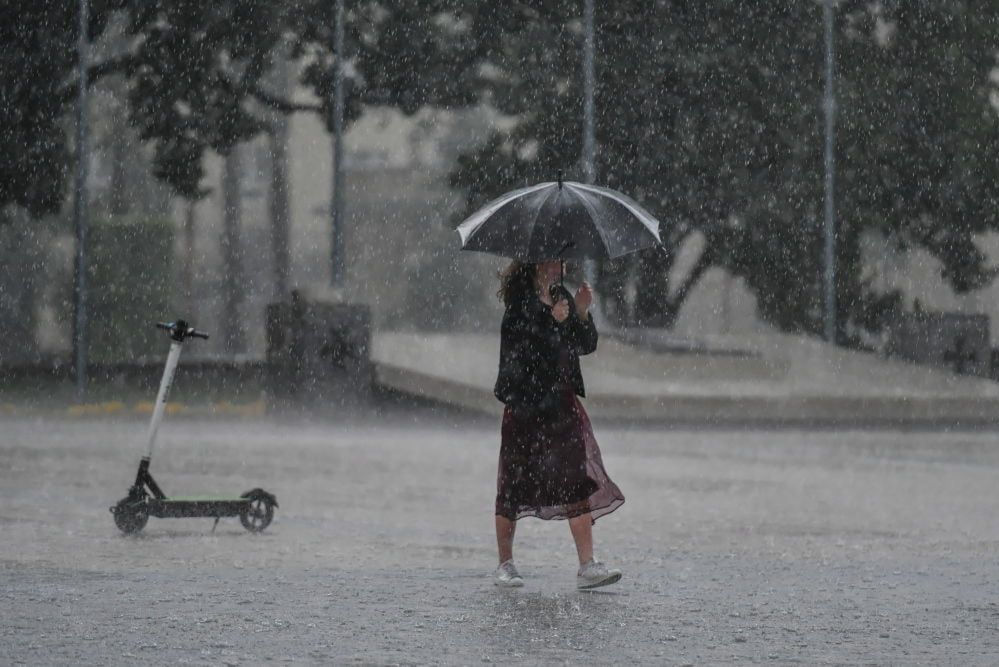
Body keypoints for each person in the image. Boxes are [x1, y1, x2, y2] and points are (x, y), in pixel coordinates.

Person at [492, 259, 625, 590]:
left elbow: (583, 345)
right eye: (552, 258)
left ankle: (587, 565)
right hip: (525, 405)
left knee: (575, 479)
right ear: (535, 261)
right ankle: (505, 564)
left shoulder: (560, 295)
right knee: (513, 484)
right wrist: (551, 322)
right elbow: (521, 352)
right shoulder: (519, 304)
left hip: (561, 404)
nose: (559, 265)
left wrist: (580, 312)